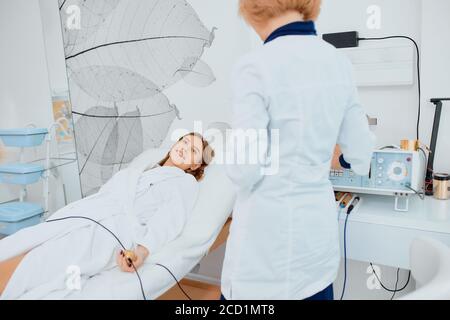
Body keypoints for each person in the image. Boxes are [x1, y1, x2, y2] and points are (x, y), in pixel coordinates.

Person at [221, 0, 375, 300]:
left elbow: (243, 171)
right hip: (316, 251)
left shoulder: (253, 66)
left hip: (263, 256)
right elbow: (360, 154)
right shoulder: (338, 63)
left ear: (252, 9)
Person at [0, 132, 214, 299]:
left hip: (108, 230)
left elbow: (168, 222)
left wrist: (141, 252)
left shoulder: (185, 183)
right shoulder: (144, 169)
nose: (185, 148)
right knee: (23, 242)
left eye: (193, 150)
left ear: (195, 165)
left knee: (40, 261)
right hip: (85, 213)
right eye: (184, 141)